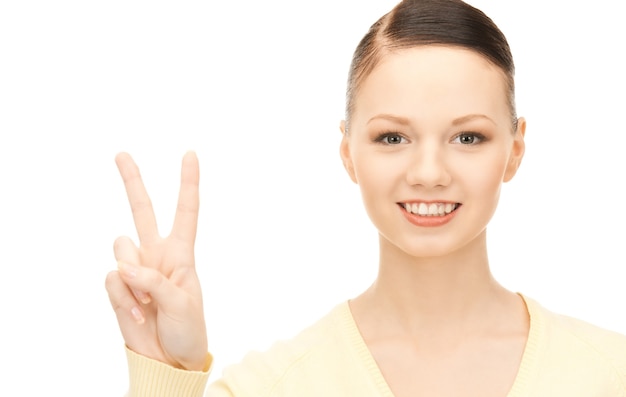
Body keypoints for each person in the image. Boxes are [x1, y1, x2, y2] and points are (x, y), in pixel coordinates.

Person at [105, 0, 626, 395]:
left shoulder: (608, 373)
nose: (428, 173)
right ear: (348, 152)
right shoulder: (271, 386)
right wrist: (165, 374)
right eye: (392, 138)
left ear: (514, 151)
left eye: (468, 137)